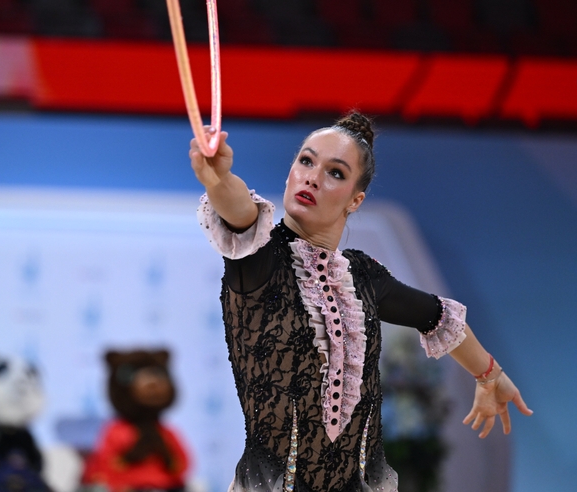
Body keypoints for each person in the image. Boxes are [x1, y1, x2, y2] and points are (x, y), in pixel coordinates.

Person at [190, 112, 532, 492]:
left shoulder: (364, 276)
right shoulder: (258, 257)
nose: (312, 177)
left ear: (356, 199)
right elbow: (237, 208)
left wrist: (489, 375)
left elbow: (438, 317)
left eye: (335, 172)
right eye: (305, 160)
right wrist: (216, 178)